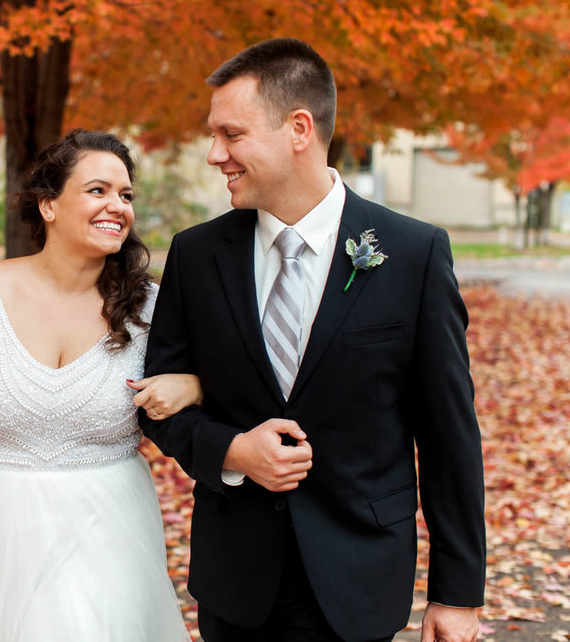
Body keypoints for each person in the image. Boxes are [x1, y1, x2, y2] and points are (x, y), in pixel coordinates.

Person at [140, 38, 486, 642]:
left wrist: (457, 593)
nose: (213, 153)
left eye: (231, 134)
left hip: (360, 577)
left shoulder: (412, 254)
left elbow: (448, 428)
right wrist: (232, 451)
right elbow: (161, 407)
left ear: (299, 128)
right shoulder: (196, 255)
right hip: (237, 581)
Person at [0, 129, 195, 641]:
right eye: (98, 190)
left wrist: (192, 384)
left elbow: (219, 377)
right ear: (48, 206)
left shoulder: (152, 307)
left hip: (107, 535)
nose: (118, 206)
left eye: (126, 195)